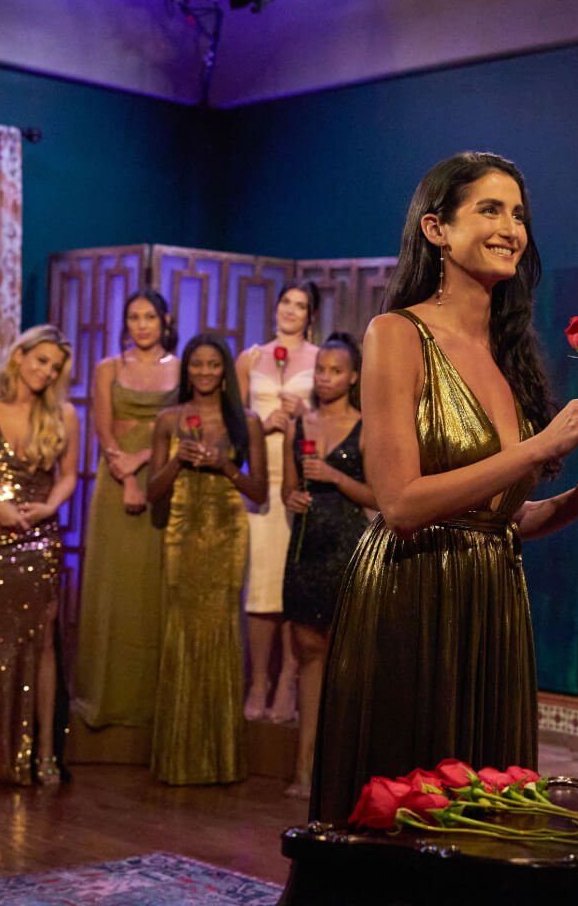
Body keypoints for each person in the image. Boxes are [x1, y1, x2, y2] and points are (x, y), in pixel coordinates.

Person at [307, 152, 578, 824]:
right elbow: (399, 504)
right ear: (436, 230)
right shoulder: (397, 334)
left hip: (492, 602)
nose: (511, 227)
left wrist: (573, 503)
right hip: (410, 595)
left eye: (518, 214)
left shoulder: (507, 356)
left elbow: (490, 518)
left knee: (486, 810)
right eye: (489, 209)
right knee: (409, 810)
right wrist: (545, 445)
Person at [148, 332, 266, 785]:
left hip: (227, 532)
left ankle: (221, 760)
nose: (203, 372)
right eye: (196, 364)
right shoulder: (168, 419)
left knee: (220, 633)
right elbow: (153, 492)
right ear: (186, 370)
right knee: (181, 631)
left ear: (224, 373)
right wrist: (179, 460)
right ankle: (177, 758)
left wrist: (225, 466)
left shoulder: (247, 421)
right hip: (181, 531)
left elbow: (258, 492)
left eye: (212, 365)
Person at [74, 290, 179, 729]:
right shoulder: (107, 367)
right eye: (133, 317)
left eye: (149, 317)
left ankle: (151, 706)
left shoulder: (178, 369)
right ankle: (102, 700)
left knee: (152, 591)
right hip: (115, 486)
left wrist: (144, 466)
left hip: (161, 482)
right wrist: (129, 475)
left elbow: (181, 427)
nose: (141, 325)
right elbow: (103, 430)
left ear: (165, 320)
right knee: (111, 587)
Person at [0, 325, 78, 786]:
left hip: (39, 538)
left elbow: (69, 476)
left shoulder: (63, 414)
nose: (46, 372)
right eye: (41, 360)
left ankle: (42, 757)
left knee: (41, 644)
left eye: (54, 367)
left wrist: (50, 507)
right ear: (19, 356)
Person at [280, 331, 373, 799]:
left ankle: (342, 771)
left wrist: (335, 476)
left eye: (337, 371)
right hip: (305, 551)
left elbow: (378, 495)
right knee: (307, 660)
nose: (327, 378)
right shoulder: (300, 425)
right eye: (321, 369)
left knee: (344, 664)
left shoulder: (366, 425)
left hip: (347, 550)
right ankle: (302, 769)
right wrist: (293, 497)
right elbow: (286, 489)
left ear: (354, 376)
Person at [236, 281, 319, 724]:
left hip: (299, 472)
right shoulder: (251, 357)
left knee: (294, 579)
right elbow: (232, 419)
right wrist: (260, 422)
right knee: (262, 580)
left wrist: (302, 416)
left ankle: (289, 676)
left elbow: (333, 419)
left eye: (300, 305)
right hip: (259, 477)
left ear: (310, 314)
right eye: (286, 302)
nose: (291, 310)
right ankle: (258, 681)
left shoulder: (321, 359)